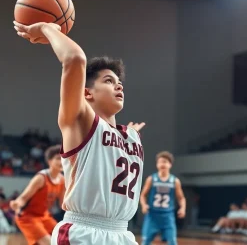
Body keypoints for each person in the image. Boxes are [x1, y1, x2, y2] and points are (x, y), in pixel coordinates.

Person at [13, 21, 146, 244]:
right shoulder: (81, 123)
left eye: (119, 82)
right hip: (84, 232)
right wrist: (48, 29)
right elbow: (75, 60)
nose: (119, 86)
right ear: (87, 93)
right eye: (108, 81)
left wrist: (131, 131)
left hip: (123, 234)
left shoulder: (132, 136)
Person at [9, 145, 65, 245]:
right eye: (58, 158)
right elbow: (23, 198)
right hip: (28, 217)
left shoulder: (62, 180)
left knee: (63, 238)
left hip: (44, 216)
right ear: (49, 161)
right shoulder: (41, 178)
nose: (61, 161)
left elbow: (63, 205)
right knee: (49, 242)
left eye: (63, 158)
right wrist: (16, 203)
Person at [140, 151, 186, 245]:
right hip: (152, 215)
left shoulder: (175, 181)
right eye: (160, 162)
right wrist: (144, 205)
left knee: (173, 242)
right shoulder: (151, 179)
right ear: (157, 164)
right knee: (145, 242)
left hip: (167, 216)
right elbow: (143, 195)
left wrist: (183, 208)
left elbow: (181, 198)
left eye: (165, 162)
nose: (162, 164)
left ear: (170, 164)